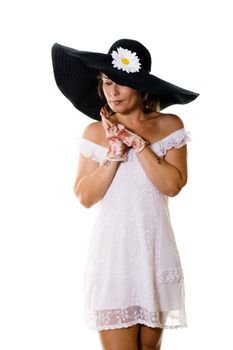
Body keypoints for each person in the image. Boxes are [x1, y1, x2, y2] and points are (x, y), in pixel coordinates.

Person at [51, 38, 199, 350]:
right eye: (106, 83)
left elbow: (172, 186)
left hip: (155, 251)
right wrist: (114, 152)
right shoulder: (95, 134)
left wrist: (138, 144)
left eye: (121, 84)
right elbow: (85, 196)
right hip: (113, 257)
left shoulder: (170, 126)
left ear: (142, 87)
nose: (112, 92)